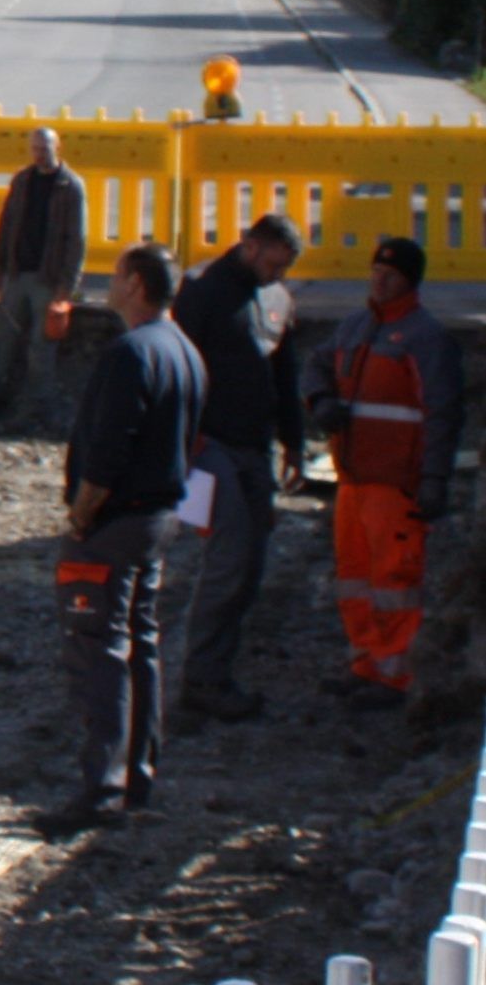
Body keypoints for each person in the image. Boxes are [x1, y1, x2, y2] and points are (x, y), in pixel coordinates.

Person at [48, 241, 204, 834]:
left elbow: (108, 453)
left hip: (115, 525)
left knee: (100, 650)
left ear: (136, 284)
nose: (108, 284)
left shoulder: (130, 354)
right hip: (159, 518)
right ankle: (136, 773)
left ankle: (102, 790)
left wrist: (83, 516)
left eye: (116, 275)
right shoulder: (185, 351)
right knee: (140, 643)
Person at [302, 235, 465, 712]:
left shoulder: (425, 339)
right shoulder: (358, 327)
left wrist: (434, 479)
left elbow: (443, 412)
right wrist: (321, 401)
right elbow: (316, 363)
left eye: (389, 274)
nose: (379, 279)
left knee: (394, 580)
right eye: (376, 271)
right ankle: (366, 665)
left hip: (396, 484)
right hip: (354, 480)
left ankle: (394, 676)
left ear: (409, 282)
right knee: (354, 578)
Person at [171, 213, 305, 724]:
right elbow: (177, 368)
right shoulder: (203, 291)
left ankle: (215, 670)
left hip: (255, 449)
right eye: (272, 263)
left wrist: (292, 441)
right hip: (211, 447)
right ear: (249, 246)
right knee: (228, 560)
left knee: (250, 566)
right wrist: (178, 446)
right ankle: (201, 678)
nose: (277, 274)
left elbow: (283, 372)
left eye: (284, 267)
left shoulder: (275, 298)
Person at [0, 127, 89, 427]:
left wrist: (67, 287)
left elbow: (76, 241)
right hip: (17, 274)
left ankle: (35, 410)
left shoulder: (71, 186)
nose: (40, 153)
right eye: (36, 148)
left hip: (47, 279)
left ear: (58, 147)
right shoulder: (22, 180)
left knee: (42, 348)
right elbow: (5, 226)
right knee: (1, 339)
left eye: (45, 148)